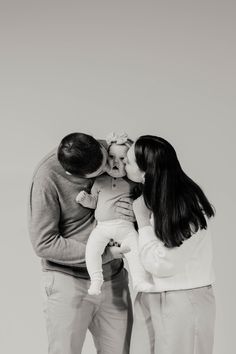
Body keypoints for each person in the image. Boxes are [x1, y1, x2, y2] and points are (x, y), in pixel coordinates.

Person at [28, 132, 134, 354]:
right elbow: (44, 243)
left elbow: (150, 182)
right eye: (100, 169)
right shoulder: (47, 177)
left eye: (107, 157)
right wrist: (104, 254)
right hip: (68, 281)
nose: (110, 167)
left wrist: (137, 210)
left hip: (114, 280)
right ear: (74, 174)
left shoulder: (114, 150)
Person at [123, 135, 216, 354]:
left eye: (127, 161)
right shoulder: (150, 195)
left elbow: (163, 265)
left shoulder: (185, 204)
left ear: (146, 170)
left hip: (183, 299)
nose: (121, 165)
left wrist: (143, 221)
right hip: (150, 296)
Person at [76, 132, 152, 295]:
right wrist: (85, 199)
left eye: (123, 159)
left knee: (135, 252)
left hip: (126, 228)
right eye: (111, 156)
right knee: (91, 250)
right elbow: (94, 202)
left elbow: (143, 206)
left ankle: (139, 281)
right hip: (102, 227)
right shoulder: (99, 181)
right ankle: (96, 279)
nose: (116, 162)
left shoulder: (133, 182)